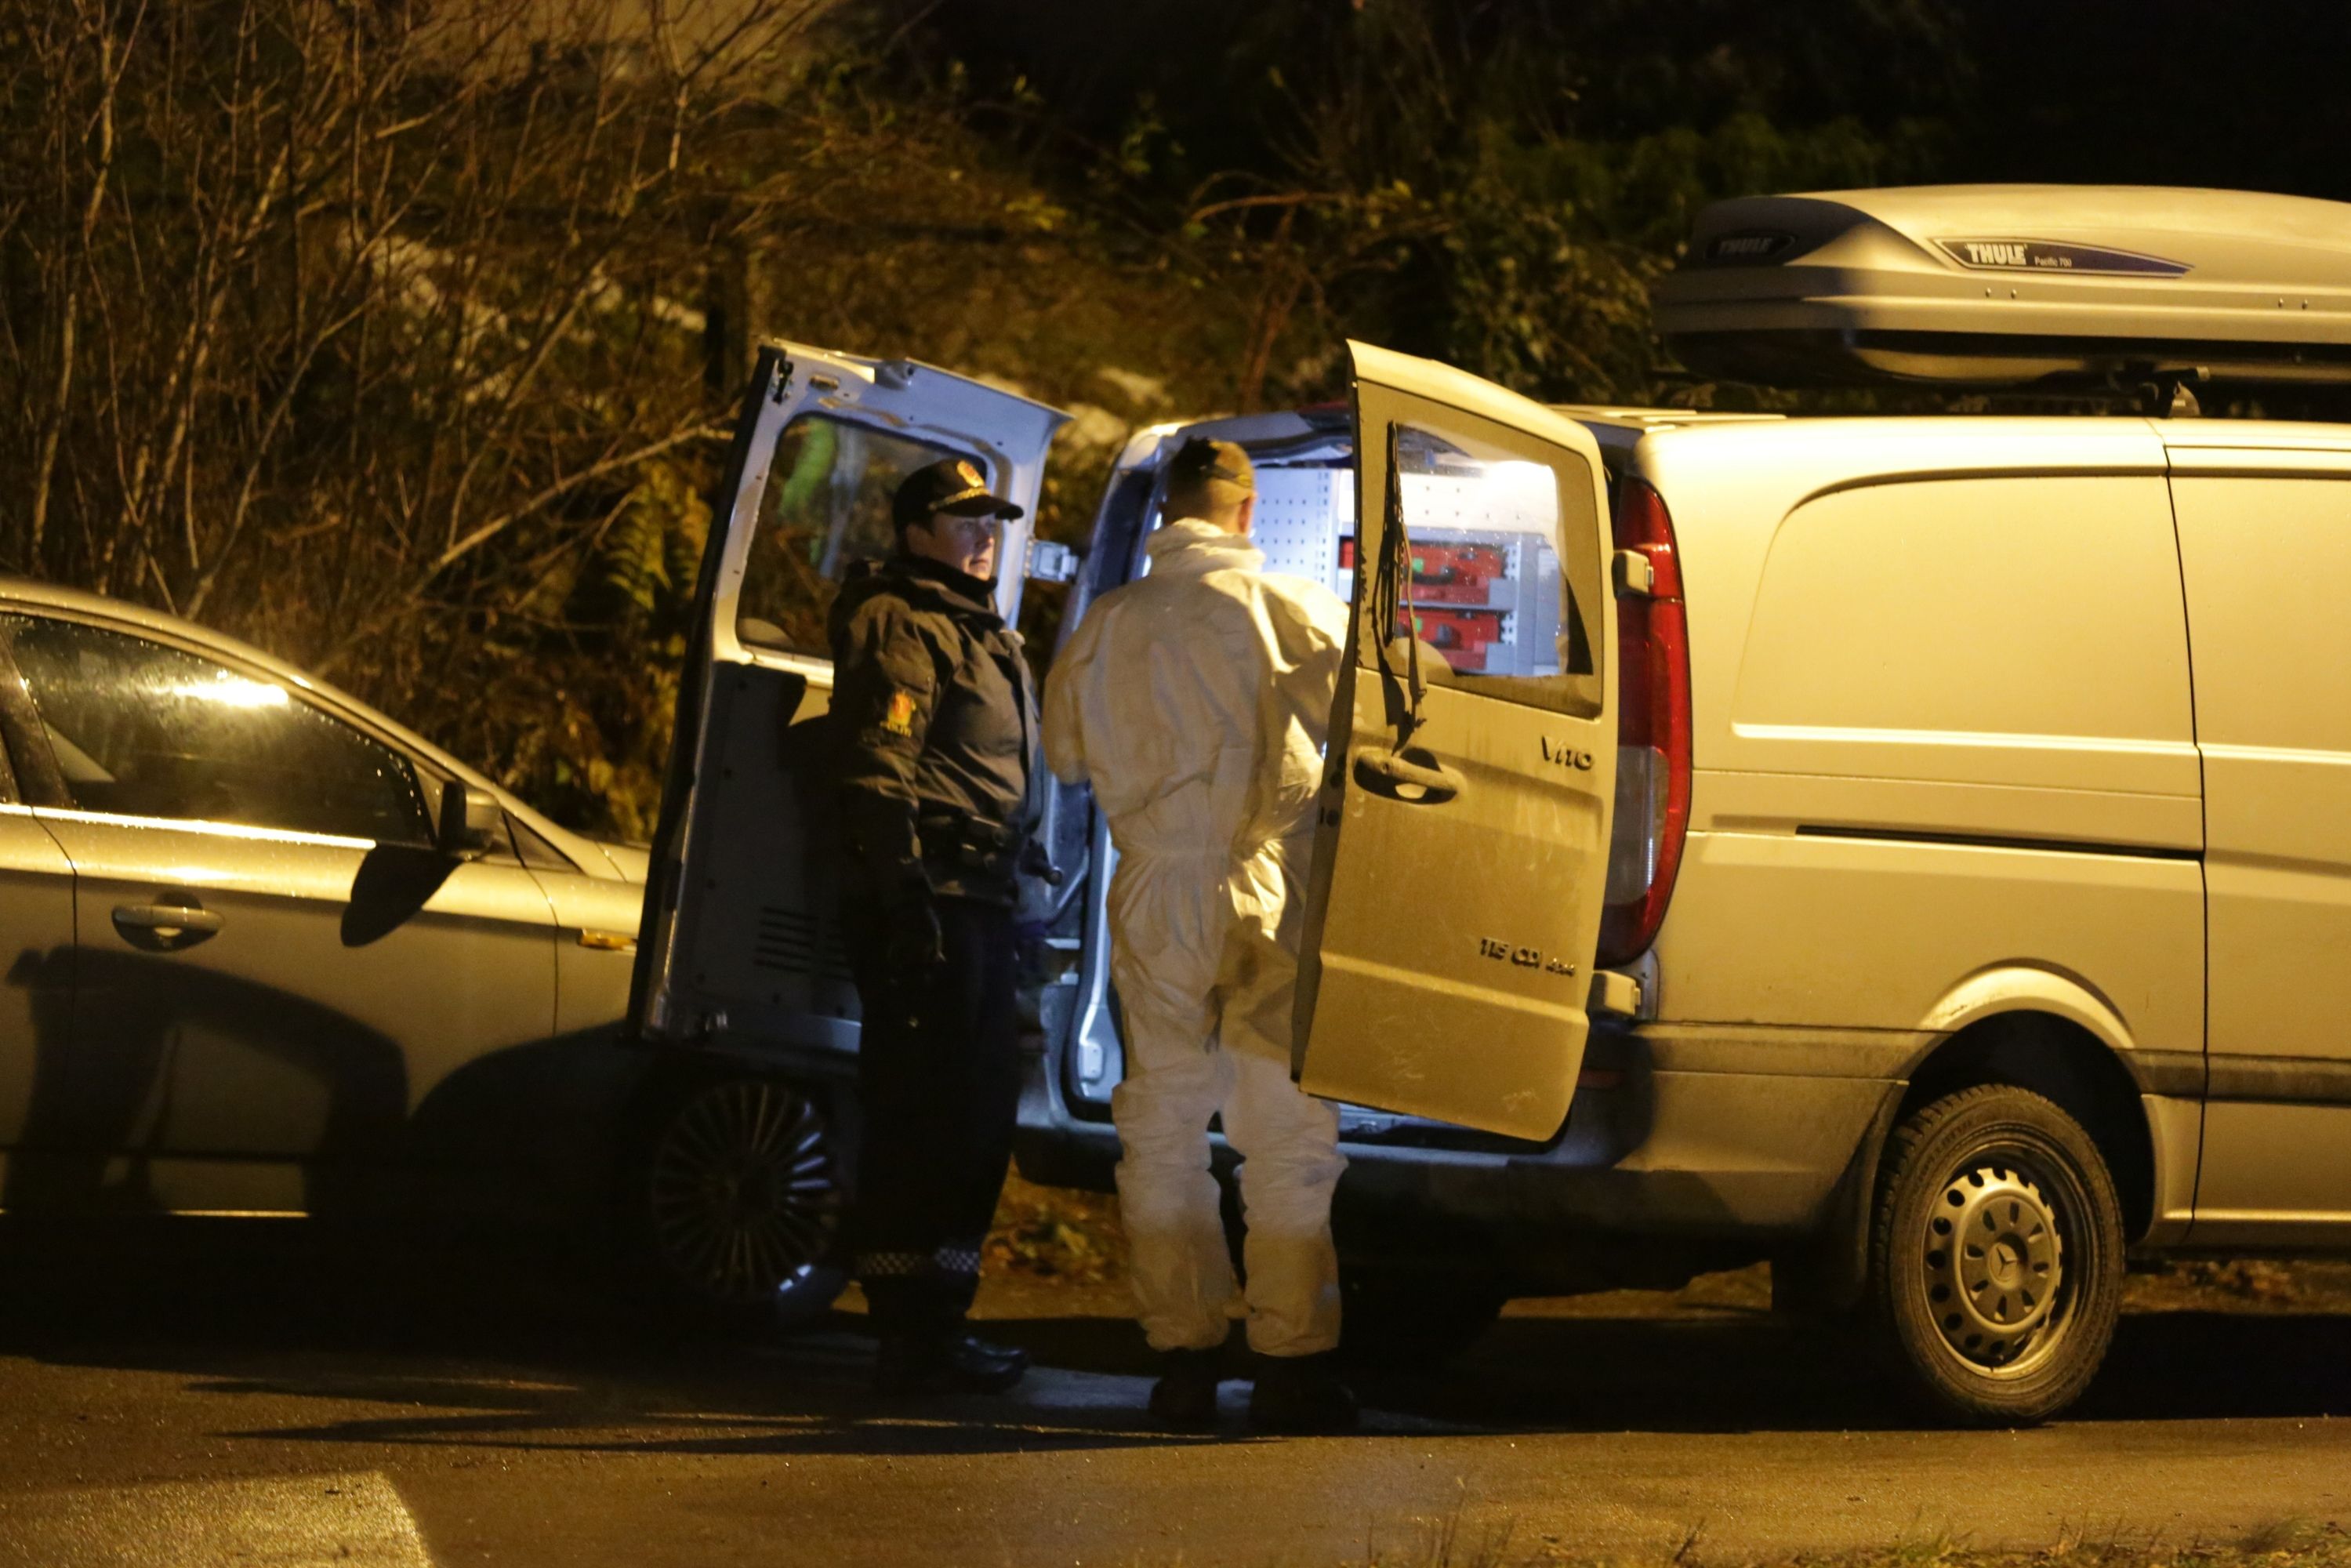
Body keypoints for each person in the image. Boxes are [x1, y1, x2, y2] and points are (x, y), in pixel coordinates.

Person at [1042, 437, 1358, 1433]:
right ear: (1246, 511)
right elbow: (1392, 714)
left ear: (1165, 510)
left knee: (1163, 1127)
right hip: (1261, 887)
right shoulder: (1287, 607)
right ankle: (1290, 1365)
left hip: (1150, 893)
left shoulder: (1106, 622)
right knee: (1284, 1132)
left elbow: (1062, 754)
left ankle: (1182, 1360)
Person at [828, 456, 1044, 1396]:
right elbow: (879, 766)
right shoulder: (904, 623)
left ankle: (940, 1318)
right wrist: (902, 893)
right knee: (921, 1118)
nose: (985, 534)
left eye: (991, 519)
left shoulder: (982, 630)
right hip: (933, 898)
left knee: (976, 1119)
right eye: (965, 520)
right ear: (916, 532)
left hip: (983, 900)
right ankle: (904, 1332)